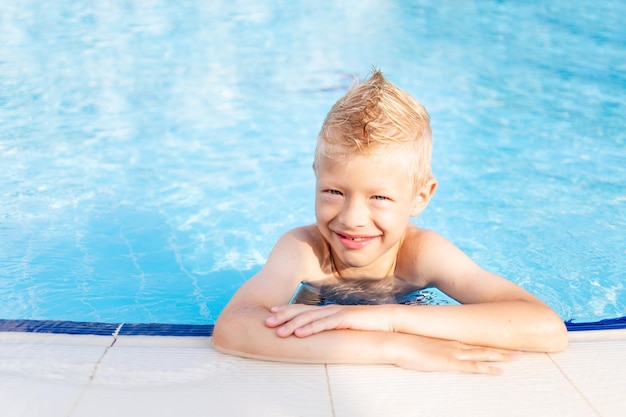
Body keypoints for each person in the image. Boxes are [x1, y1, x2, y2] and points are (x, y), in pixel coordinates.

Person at [212, 69, 568, 374]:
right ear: (316, 177)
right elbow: (233, 327)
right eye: (333, 191)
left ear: (420, 197)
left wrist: (389, 318)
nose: (351, 219)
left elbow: (545, 327)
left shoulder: (421, 254)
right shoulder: (305, 249)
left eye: (378, 197)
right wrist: (394, 348)